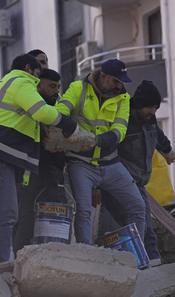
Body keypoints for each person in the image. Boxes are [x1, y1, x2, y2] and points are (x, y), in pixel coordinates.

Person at [0, 54, 82, 265]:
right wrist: (70, 125)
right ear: (29, 68)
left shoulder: (0, 87)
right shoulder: (21, 81)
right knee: (5, 216)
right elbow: (41, 112)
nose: (38, 80)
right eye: (38, 74)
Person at [56, 59, 146, 247]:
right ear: (103, 76)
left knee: (138, 206)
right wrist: (75, 133)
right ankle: (86, 255)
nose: (119, 86)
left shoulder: (123, 98)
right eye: (116, 81)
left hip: (110, 163)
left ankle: (137, 257)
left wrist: (98, 140)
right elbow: (60, 112)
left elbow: (120, 130)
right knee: (82, 211)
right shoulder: (77, 89)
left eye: (122, 82)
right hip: (80, 163)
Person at [111, 80, 175, 265]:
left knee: (142, 220)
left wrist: (168, 151)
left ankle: (147, 260)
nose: (153, 112)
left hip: (139, 181)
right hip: (122, 180)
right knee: (140, 220)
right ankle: (146, 260)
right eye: (149, 107)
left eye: (156, 108)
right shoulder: (122, 119)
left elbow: (158, 137)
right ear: (138, 104)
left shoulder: (150, 120)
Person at [13, 68, 67, 254]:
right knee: (26, 221)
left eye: (58, 87)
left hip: (51, 176)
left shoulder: (55, 110)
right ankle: (18, 265)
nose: (56, 91)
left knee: (55, 225)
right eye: (52, 86)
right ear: (38, 86)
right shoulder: (29, 108)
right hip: (30, 175)